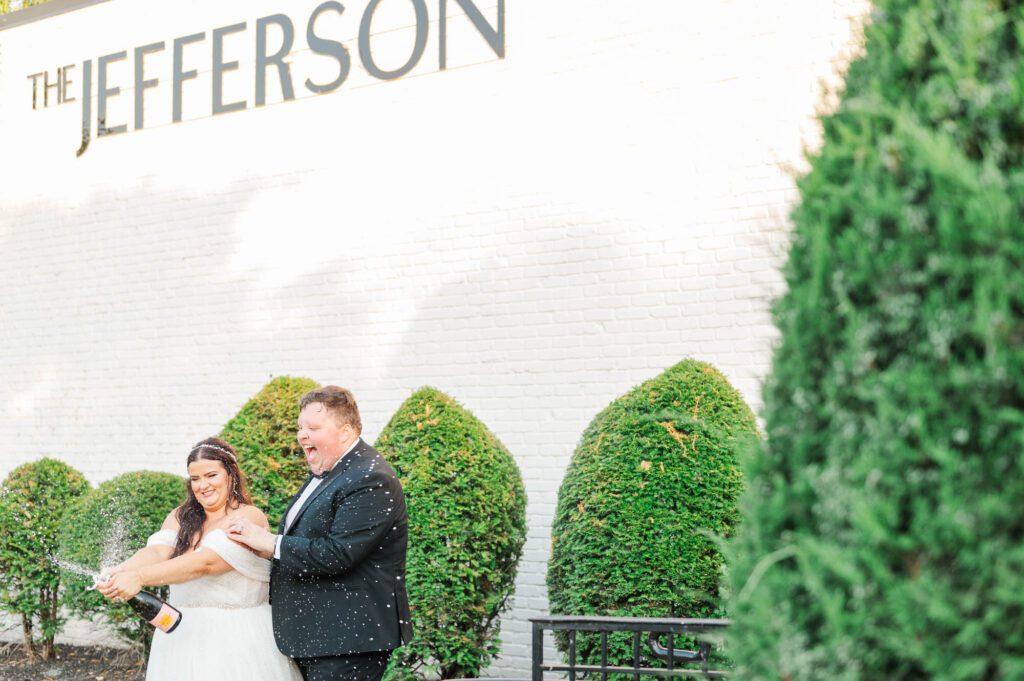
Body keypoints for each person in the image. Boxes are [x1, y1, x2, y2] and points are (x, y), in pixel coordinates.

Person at [227, 385, 412, 681]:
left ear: (346, 431)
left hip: (348, 643)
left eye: (313, 427)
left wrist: (272, 543)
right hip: (319, 636)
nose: (302, 435)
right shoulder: (330, 471)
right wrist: (262, 549)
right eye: (300, 427)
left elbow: (339, 554)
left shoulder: (370, 477)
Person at [97, 437, 302, 681]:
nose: (203, 485)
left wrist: (139, 578)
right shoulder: (181, 516)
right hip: (179, 638)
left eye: (211, 475)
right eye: (195, 479)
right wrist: (120, 571)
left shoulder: (249, 516)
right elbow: (158, 551)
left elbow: (206, 563)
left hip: (236, 641)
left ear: (231, 474)